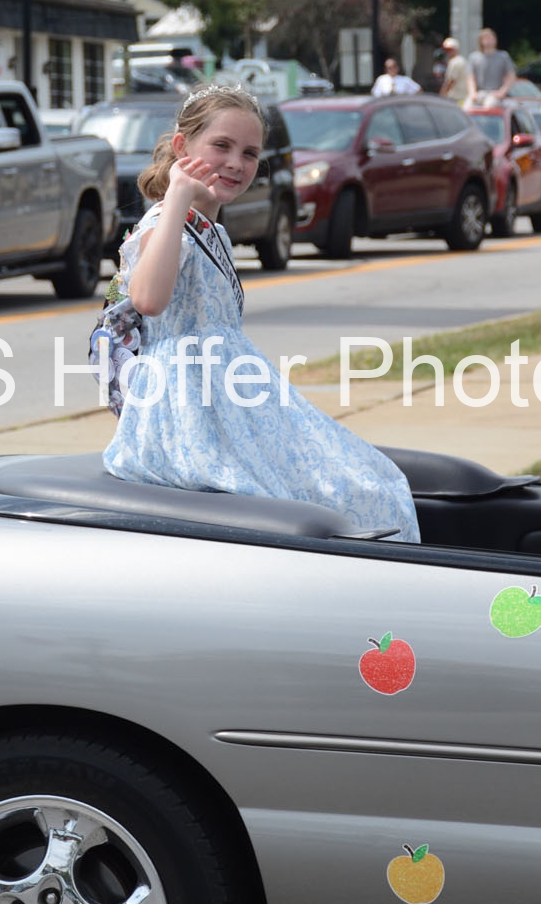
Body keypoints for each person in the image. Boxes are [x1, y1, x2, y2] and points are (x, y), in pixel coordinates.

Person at [102, 85, 421, 542]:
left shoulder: (212, 231)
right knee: (321, 497)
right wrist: (177, 197)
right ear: (181, 147)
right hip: (188, 413)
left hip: (229, 398)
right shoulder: (165, 224)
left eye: (250, 153)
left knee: (370, 481)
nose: (236, 162)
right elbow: (149, 299)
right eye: (221, 146)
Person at [467, 28, 517, 106]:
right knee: (467, 107)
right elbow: (470, 78)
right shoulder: (474, 57)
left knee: (489, 105)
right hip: (479, 93)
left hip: (495, 93)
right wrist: (472, 93)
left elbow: (512, 76)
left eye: (491, 38)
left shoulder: (503, 56)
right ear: (481, 41)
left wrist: (502, 92)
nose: (489, 40)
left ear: (495, 40)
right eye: (486, 38)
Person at [439, 37, 472, 107]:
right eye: (446, 50)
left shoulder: (455, 62)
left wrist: (442, 94)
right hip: (461, 97)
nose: (448, 52)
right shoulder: (460, 60)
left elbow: (450, 81)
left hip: (456, 98)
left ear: (456, 50)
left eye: (450, 50)